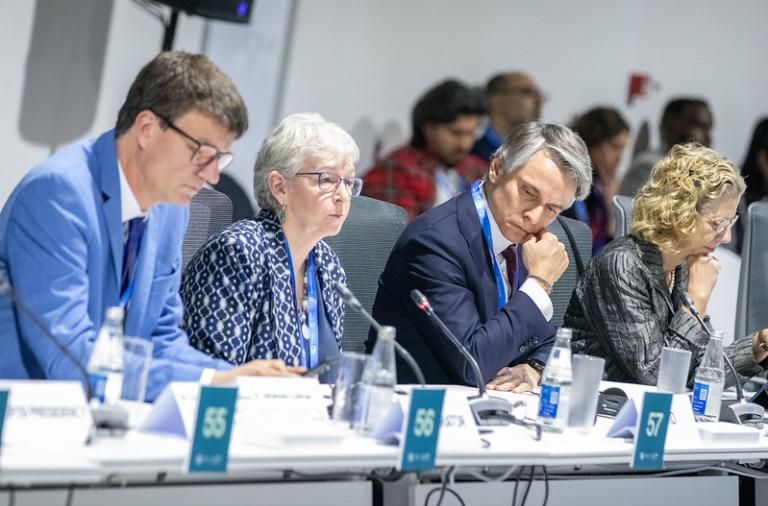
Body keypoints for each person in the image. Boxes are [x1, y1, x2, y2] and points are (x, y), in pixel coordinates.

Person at [0, 51, 297, 402]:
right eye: (203, 153)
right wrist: (211, 381)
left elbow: (161, 341)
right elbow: (70, 356)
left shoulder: (171, 209)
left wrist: (232, 380)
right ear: (146, 129)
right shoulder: (59, 194)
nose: (213, 175)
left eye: (221, 158)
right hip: (27, 415)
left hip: (104, 417)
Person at [369, 122, 592, 391]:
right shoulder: (436, 243)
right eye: (528, 193)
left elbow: (547, 339)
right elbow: (472, 361)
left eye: (552, 209)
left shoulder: (522, 238)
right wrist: (539, 284)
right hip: (418, 409)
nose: (534, 216)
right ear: (497, 168)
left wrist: (534, 368)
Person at [565, 143, 768, 385]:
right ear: (678, 212)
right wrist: (696, 299)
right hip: (595, 406)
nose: (727, 238)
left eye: (730, 223)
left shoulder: (681, 267)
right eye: (717, 224)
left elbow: (695, 367)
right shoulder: (621, 265)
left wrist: (756, 347)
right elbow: (656, 373)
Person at [181, 113, 360, 373]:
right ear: (279, 187)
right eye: (328, 180)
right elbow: (215, 374)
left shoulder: (328, 265)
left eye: (349, 182)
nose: (343, 196)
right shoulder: (239, 252)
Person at [363, 79, 486, 220]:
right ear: (428, 127)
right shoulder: (396, 170)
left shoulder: (476, 167)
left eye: (471, 133)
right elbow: (399, 237)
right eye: (456, 133)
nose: (465, 144)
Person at [563, 107, 630, 254]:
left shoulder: (600, 190)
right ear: (592, 141)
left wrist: (611, 212)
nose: (619, 158)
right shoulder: (564, 181)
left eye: (623, 149)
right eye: (614, 147)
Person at [619, 98, 713, 197]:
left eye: (709, 129)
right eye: (701, 127)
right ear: (671, 127)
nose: (708, 137)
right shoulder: (647, 167)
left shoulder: (700, 172)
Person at [472, 72, 545, 162]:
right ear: (497, 99)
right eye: (527, 92)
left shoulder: (535, 154)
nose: (538, 101)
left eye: (538, 94)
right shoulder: (469, 149)